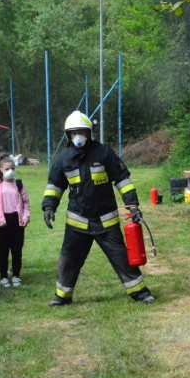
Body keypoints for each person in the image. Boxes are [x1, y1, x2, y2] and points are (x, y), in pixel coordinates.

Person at [42, 110, 154, 306]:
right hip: (77, 221)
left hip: (106, 220)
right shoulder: (64, 159)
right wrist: (48, 206)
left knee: (121, 258)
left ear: (89, 133)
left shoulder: (103, 153)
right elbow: (55, 185)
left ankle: (140, 293)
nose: (78, 136)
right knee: (68, 260)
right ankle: (62, 296)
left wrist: (133, 206)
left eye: (82, 132)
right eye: (73, 132)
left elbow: (123, 181)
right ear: (68, 135)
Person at [0, 156, 30, 287]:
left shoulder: (19, 184)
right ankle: (4, 276)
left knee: (17, 250)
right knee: (3, 250)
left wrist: (25, 217)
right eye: (7, 169)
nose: (10, 171)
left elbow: (26, 202)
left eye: (12, 168)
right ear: (0, 170)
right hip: (3, 221)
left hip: (17, 221)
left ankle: (16, 275)